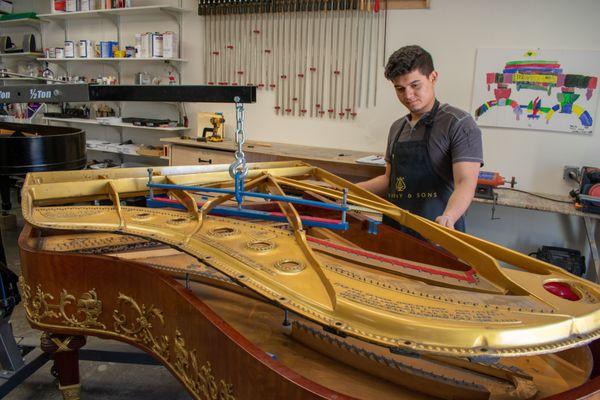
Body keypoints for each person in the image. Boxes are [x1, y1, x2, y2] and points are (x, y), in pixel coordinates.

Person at [358, 45, 482, 232]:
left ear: (433, 77)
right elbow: (388, 180)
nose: (408, 95)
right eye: (399, 89)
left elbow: (465, 182)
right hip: (396, 230)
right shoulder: (397, 127)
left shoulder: (459, 123)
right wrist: (346, 190)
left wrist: (449, 217)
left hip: (438, 231)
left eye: (415, 86)